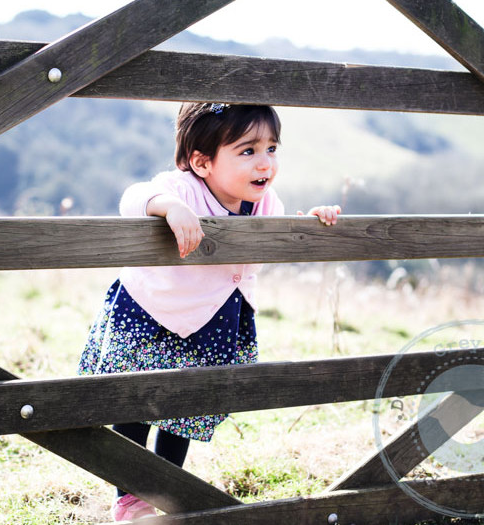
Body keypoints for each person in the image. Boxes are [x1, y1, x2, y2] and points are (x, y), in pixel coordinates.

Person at [77, 102, 341, 521]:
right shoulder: (180, 188)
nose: (265, 163)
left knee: (184, 405)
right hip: (151, 313)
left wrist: (309, 222)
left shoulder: (265, 201)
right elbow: (133, 198)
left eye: (272, 149)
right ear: (202, 162)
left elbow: (278, 234)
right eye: (248, 151)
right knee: (133, 404)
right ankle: (128, 497)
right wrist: (168, 207)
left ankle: (166, 489)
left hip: (214, 319)